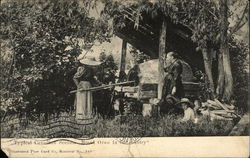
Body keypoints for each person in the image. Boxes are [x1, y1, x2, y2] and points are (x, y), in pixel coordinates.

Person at [73, 52, 101, 121]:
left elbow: (93, 79)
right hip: (82, 86)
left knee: (88, 100)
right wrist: (79, 87)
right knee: (82, 101)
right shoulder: (82, 69)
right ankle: (81, 117)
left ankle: (87, 116)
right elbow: (75, 78)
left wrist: (100, 84)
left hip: (88, 86)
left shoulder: (91, 70)